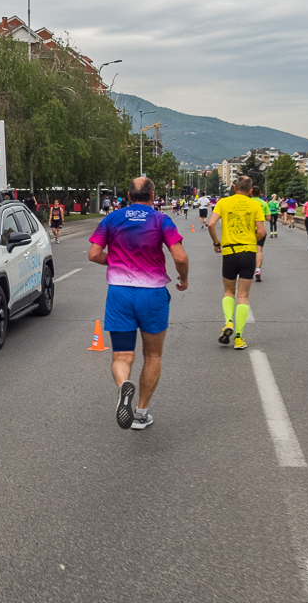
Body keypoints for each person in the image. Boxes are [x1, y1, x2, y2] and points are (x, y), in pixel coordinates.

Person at [89, 177, 189, 430]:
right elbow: (179, 256)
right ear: (153, 195)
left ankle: (124, 386)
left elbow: (93, 254)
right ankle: (141, 413)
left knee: (122, 355)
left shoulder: (112, 218)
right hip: (152, 294)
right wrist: (184, 279)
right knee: (152, 354)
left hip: (120, 293)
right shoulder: (160, 220)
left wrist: (114, 263)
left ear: (128, 195)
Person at [207, 176, 266, 349]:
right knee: (243, 296)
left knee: (228, 292)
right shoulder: (255, 204)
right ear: (250, 191)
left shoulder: (224, 203)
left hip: (230, 252)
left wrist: (217, 243)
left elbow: (211, 224)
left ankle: (228, 323)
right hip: (248, 252)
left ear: (234, 188)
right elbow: (262, 231)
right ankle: (239, 337)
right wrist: (250, 239)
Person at [251, 186, 271, 282]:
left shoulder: (248, 202)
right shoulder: (264, 203)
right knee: (259, 250)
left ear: (250, 193)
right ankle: (258, 270)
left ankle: (247, 270)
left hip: (249, 230)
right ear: (260, 193)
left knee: (248, 250)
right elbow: (269, 218)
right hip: (260, 229)